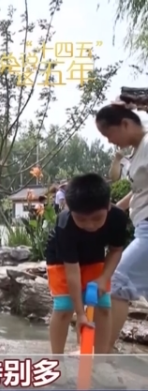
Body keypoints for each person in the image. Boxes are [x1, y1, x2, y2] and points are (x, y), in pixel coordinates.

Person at [43, 173, 128, 354]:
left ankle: (100, 358)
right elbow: (72, 272)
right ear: (70, 209)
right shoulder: (65, 224)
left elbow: (115, 250)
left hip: (94, 255)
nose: (90, 225)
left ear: (108, 206)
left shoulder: (118, 218)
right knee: (65, 306)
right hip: (61, 258)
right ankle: (57, 359)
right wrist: (80, 314)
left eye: (97, 218)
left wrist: (103, 278)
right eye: (81, 219)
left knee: (103, 305)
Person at [94, 103, 148, 351]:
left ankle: (102, 352)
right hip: (141, 225)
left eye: (109, 134)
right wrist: (115, 209)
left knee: (117, 281)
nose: (110, 141)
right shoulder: (138, 149)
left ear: (125, 124)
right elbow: (140, 190)